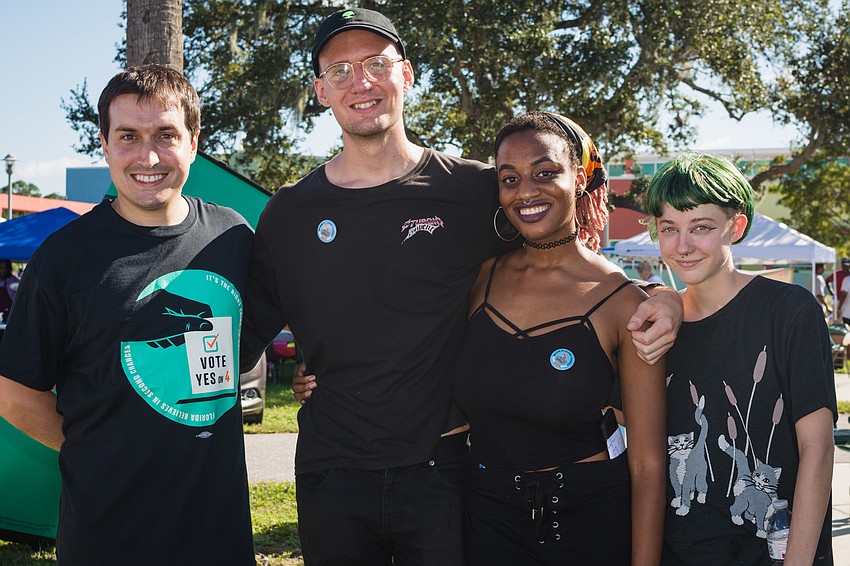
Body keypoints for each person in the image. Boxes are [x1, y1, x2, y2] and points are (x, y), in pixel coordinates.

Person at [242, 8, 682, 564]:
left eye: (376, 63)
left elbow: (561, 264)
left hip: (445, 471)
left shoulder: (478, 189)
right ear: (320, 90)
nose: (361, 82)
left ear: (405, 74)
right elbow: (242, 327)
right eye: (340, 70)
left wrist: (666, 299)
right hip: (331, 470)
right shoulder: (288, 212)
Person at [0, 65, 255, 565]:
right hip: (109, 532)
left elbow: (267, 324)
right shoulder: (63, 257)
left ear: (193, 140)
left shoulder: (234, 237)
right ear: (105, 144)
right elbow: (13, 393)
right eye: (129, 137)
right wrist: (97, 449)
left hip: (219, 530)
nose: (148, 156)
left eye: (166, 135)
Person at [450, 112, 666, 564]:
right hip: (486, 522)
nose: (526, 191)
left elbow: (647, 465)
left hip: (588, 525)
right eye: (510, 178)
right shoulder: (476, 282)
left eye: (545, 173)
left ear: (581, 178)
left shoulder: (624, 303)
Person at [643, 153, 835, 565]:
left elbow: (817, 449)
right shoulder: (652, 324)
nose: (683, 245)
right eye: (668, 229)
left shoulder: (789, 310)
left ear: (737, 226)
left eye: (702, 228)